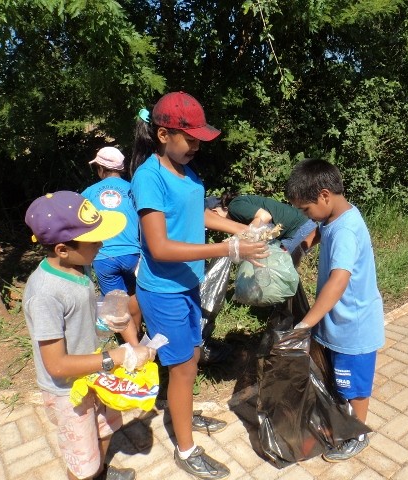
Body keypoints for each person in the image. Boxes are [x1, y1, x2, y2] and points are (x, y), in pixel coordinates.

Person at [130, 91, 267, 480]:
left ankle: (183, 413)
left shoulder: (186, 172)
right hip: (163, 291)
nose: (195, 146)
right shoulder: (149, 177)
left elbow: (200, 212)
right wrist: (229, 247)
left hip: (187, 286)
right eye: (189, 138)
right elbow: (157, 246)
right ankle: (186, 450)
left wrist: (242, 230)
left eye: (199, 140)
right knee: (185, 366)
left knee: (189, 359)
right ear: (162, 134)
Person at [23, 191, 155, 480]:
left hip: (93, 371)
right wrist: (116, 356)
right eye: (94, 240)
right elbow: (56, 365)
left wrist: (112, 319)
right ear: (61, 249)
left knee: (105, 428)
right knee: (82, 460)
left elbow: (81, 314)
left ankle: (101, 472)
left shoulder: (77, 268)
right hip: (68, 391)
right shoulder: (44, 293)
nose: (101, 244)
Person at [285, 158, 385, 462]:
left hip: (354, 327)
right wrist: (301, 246)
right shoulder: (334, 217)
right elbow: (318, 229)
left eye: (305, 209)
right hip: (338, 323)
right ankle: (342, 417)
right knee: (341, 381)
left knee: (355, 386)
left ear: (324, 195)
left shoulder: (346, 231)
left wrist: (306, 323)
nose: (306, 215)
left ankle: (358, 433)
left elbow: (339, 280)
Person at [81, 146, 142, 336]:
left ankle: (128, 346)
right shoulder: (134, 189)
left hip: (103, 255)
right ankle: (138, 335)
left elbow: (81, 225)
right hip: (133, 253)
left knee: (116, 304)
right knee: (133, 296)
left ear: (101, 168)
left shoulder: (88, 193)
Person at [207, 193, 317, 265]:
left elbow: (265, 217)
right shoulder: (238, 216)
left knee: (280, 275)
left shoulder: (234, 206)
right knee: (280, 274)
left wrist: (245, 238)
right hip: (297, 230)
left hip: (299, 229)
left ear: (214, 212)